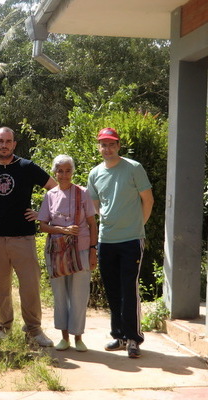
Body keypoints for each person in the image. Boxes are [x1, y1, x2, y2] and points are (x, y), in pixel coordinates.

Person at [0, 126, 56, 347]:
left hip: (24, 238)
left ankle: (34, 330)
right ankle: (2, 327)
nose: (4, 145)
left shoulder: (27, 167)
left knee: (30, 285)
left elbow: (55, 189)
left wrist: (42, 214)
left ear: (14, 144)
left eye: (8, 141)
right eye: (0, 141)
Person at [87, 127, 154, 358]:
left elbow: (148, 200)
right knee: (113, 289)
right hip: (107, 240)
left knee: (129, 288)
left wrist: (138, 226)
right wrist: (108, 220)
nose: (107, 148)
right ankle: (119, 336)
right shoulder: (95, 173)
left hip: (131, 240)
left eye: (111, 144)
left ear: (119, 145)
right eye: (103, 145)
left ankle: (134, 338)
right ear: (99, 147)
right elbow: (95, 205)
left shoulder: (134, 168)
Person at [38, 155, 98, 351]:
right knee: (60, 295)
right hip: (57, 252)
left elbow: (92, 224)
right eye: (60, 171)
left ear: (72, 172)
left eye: (67, 171)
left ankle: (78, 338)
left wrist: (92, 251)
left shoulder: (83, 193)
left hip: (81, 250)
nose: (64, 175)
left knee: (79, 295)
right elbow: (43, 226)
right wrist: (63, 230)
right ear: (55, 172)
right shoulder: (50, 195)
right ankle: (64, 337)